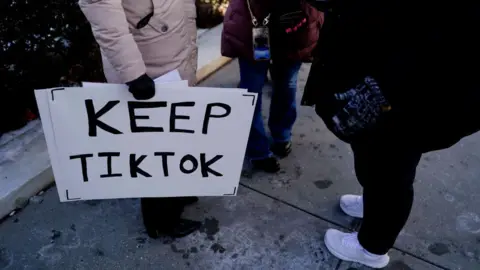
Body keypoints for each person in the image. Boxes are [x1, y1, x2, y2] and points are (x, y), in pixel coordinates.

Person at [303, 0, 480, 268]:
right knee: (375, 157)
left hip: (417, 92)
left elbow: (440, 40)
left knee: (391, 168)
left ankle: (372, 246)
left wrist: (385, 90)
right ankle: (374, 204)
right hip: (395, 76)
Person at [79, 0, 202, 239]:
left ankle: (177, 190)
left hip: (174, 54)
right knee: (154, 151)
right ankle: (162, 222)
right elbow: (102, 11)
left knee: (177, 140)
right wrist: (133, 73)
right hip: (149, 69)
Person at [221, 0, 323, 173]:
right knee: (251, 90)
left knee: (287, 85)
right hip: (255, 24)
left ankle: (282, 134)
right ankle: (257, 149)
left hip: (294, 26)